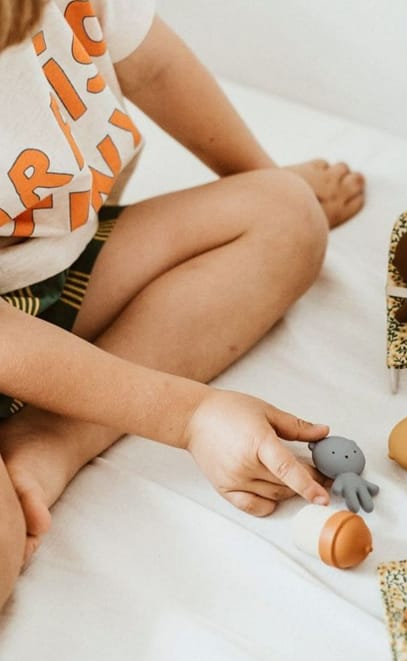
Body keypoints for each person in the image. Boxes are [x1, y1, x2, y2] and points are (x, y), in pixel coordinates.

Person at [0, 0, 366, 608]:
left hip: (57, 275)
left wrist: (260, 177)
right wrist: (188, 414)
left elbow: (155, 67)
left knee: (286, 212)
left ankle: (53, 435)